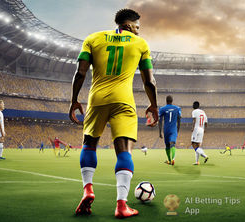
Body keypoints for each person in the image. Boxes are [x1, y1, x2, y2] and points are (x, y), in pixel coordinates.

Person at [68, 8, 158, 219]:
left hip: (97, 99)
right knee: (124, 151)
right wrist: (154, 105)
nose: (137, 31)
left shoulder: (93, 38)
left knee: (89, 144)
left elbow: (80, 73)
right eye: (136, 27)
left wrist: (73, 100)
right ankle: (121, 205)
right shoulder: (141, 44)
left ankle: (88, 189)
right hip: (123, 101)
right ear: (128, 26)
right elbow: (149, 81)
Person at [158, 95, 181, 166]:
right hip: (174, 129)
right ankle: (173, 159)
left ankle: (170, 160)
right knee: (172, 144)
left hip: (166, 129)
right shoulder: (177, 108)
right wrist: (178, 129)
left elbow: (160, 121)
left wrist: (160, 132)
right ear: (172, 100)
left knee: (167, 145)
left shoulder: (162, 109)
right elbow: (179, 119)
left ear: (166, 100)